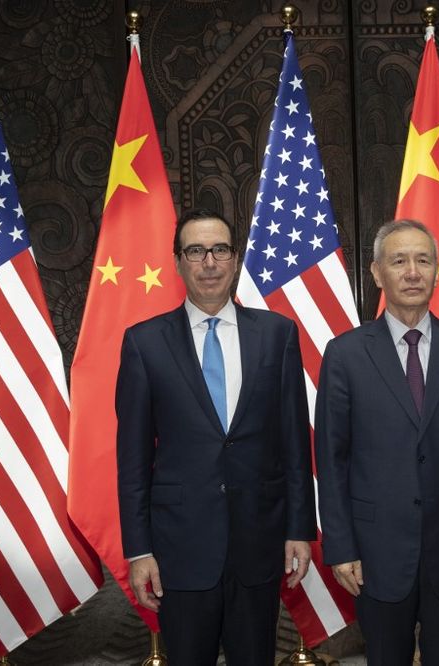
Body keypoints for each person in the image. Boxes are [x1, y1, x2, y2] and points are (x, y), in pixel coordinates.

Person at [116, 209, 316, 664]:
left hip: (259, 542)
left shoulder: (277, 335)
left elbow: (294, 444)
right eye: (195, 251)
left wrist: (299, 529)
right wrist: (139, 549)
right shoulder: (144, 344)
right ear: (178, 262)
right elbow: (131, 459)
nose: (209, 262)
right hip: (179, 549)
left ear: (236, 258)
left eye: (219, 250)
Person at [314, 219, 439, 665]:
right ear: (376, 273)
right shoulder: (345, 354)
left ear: (437, 272)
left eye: (424, 260)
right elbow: (332, 458)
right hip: (376, 549)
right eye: (398, 261)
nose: (412, 272)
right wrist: (341, 545)